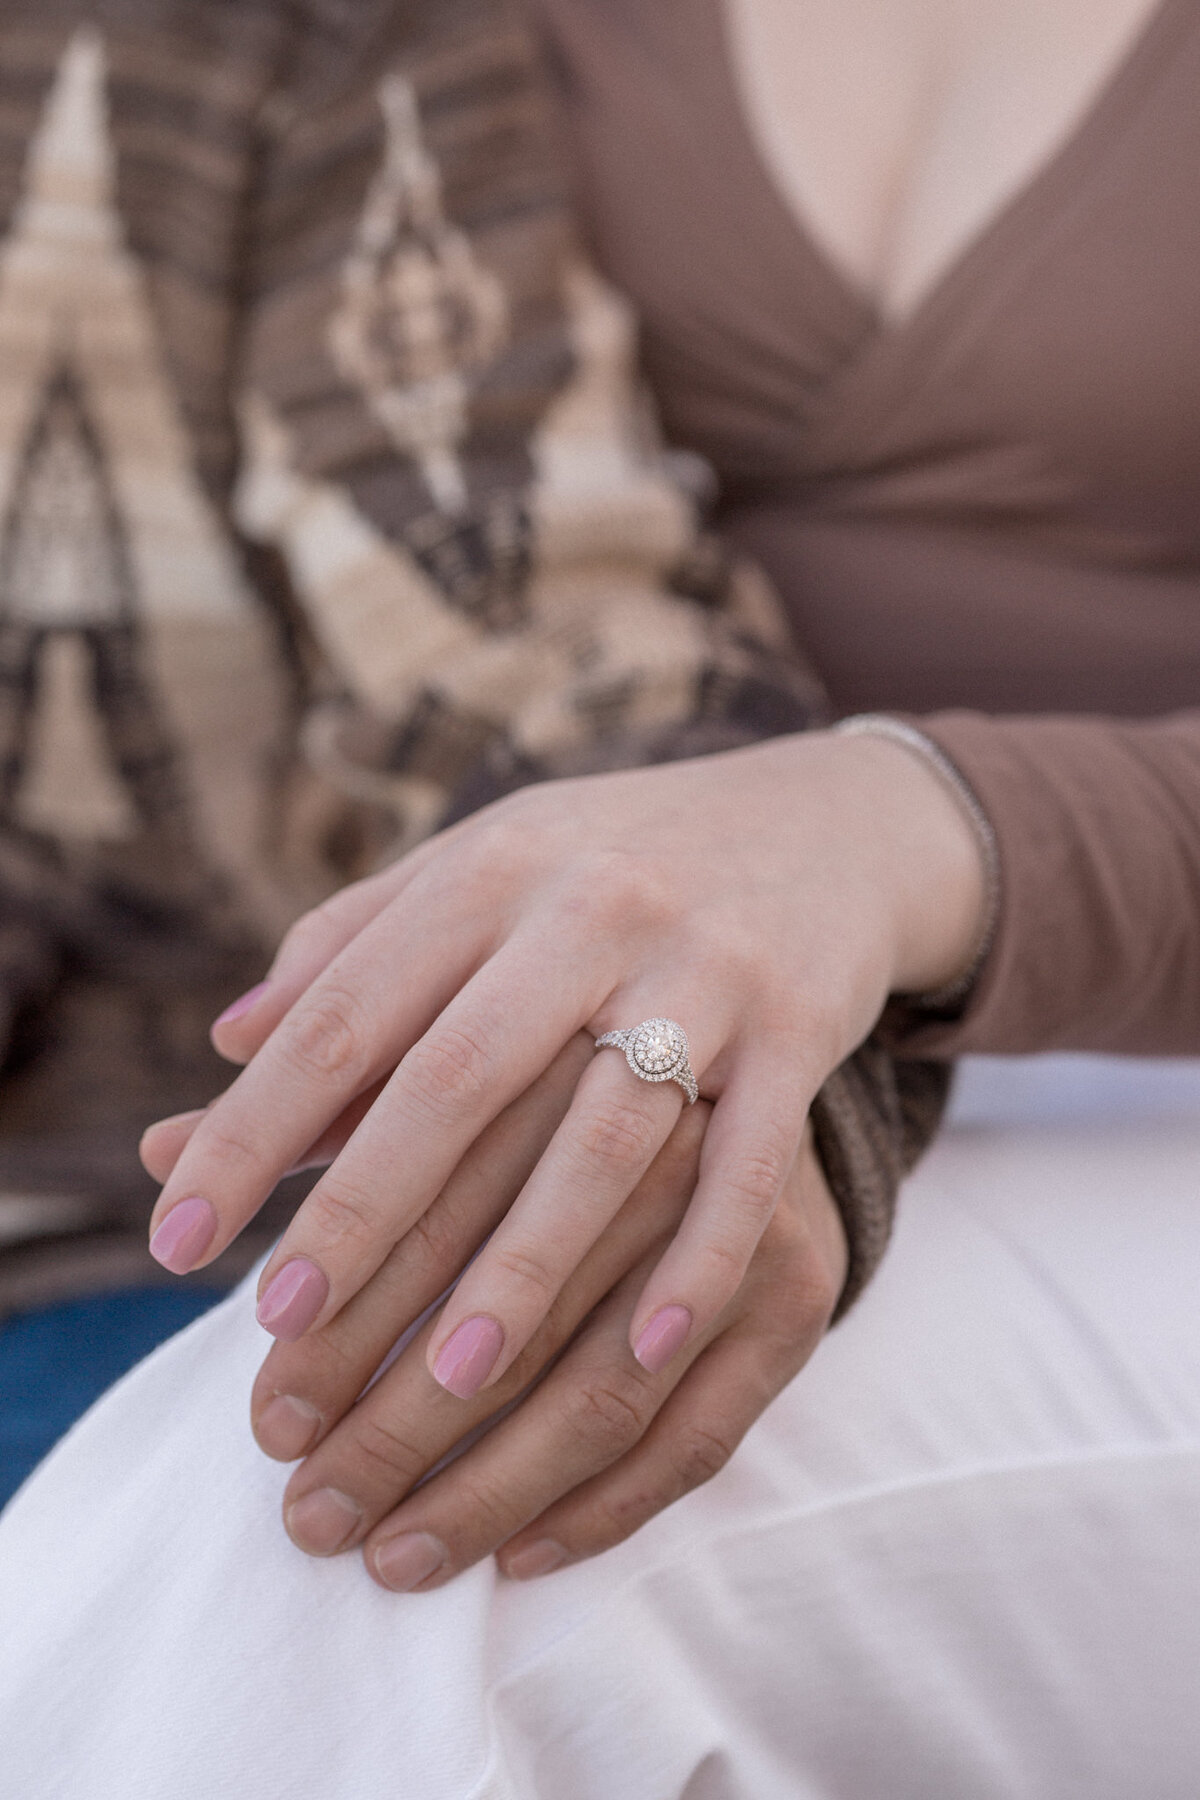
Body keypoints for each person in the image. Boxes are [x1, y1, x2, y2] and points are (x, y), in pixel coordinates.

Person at [1, 0, 1199, 1794]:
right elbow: (483, 592)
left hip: (1083, 1042)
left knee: (377, 1544)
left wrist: (900, 829)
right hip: (732, 1018)